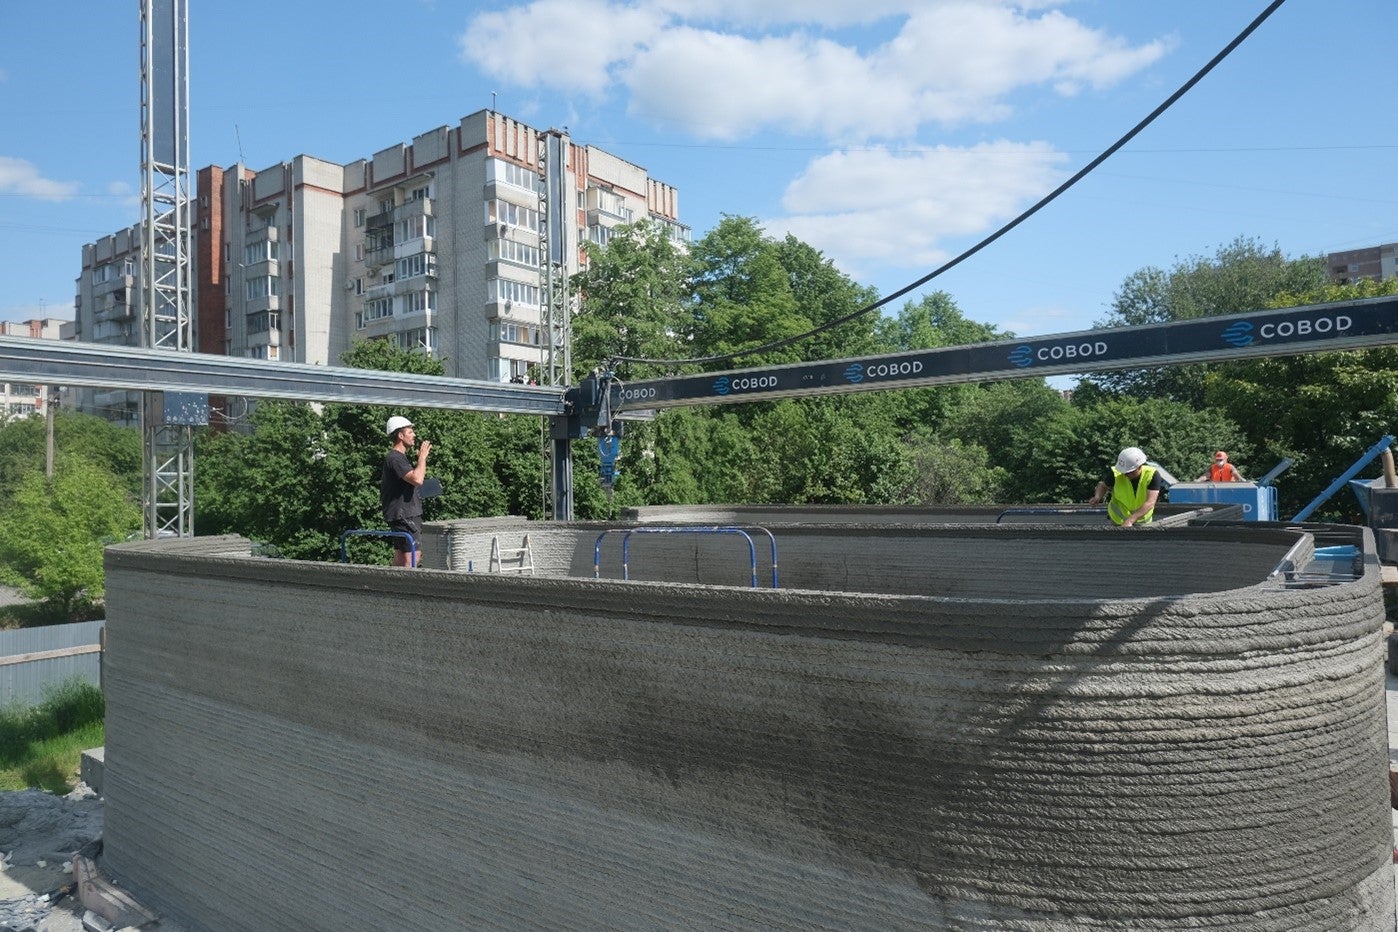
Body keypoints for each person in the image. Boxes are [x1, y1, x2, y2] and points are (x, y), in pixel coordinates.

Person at [381, 415, 432, 567]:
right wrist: (422, 458)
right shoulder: (395, 458)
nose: (414, 435)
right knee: (412, 557)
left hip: (403, 514)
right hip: (404, 514)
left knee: (402, 557)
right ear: (400, 435)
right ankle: (407, 589)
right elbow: (417, 479)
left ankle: (391, 587)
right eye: (410, 432)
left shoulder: (398, 458)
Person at [1087, 446, 1166, 528]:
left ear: (1139, 466)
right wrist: (1097, 497)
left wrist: (1130, 520)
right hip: (1117, 520)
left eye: (1129, 472)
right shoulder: (1116, 473)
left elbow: (1150, 502)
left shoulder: (1152, 475)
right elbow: (1103, 485)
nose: (1125, 474)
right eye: (1124, 472)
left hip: (1142, 522)